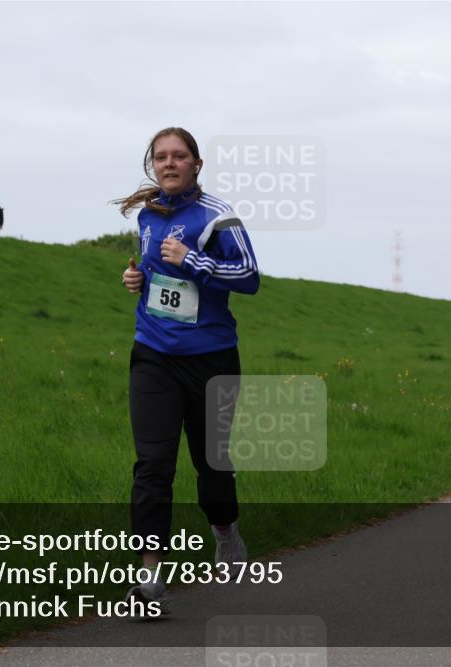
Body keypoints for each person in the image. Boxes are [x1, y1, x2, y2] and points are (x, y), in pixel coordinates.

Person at [114, 127, 260, 611]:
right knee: (153, 465)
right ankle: (151, 579)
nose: (169, 163)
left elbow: (249, 277)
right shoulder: (149, 213)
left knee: (210, 464)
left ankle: (226, 534)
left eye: (179, 156)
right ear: (152, 165)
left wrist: (194, 259)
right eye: (161, 157)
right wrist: (137, 279)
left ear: (197, 164)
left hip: (211, 360)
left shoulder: (219, 216)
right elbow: (158, 277)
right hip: (153, 353)